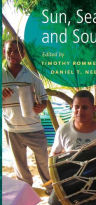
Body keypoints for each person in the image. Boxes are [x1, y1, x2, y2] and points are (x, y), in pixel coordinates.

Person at [2, 39, 52, 193]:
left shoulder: (32, 76)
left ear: (22, 55)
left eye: (17, 51)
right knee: (19, 164)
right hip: (12, 129)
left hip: (34, 127)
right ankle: (26, 189)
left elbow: (44, 99)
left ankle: (49, 187)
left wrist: (41, 106)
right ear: (4, 52)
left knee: (43, 161)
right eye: (10, 50)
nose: (12, 54)